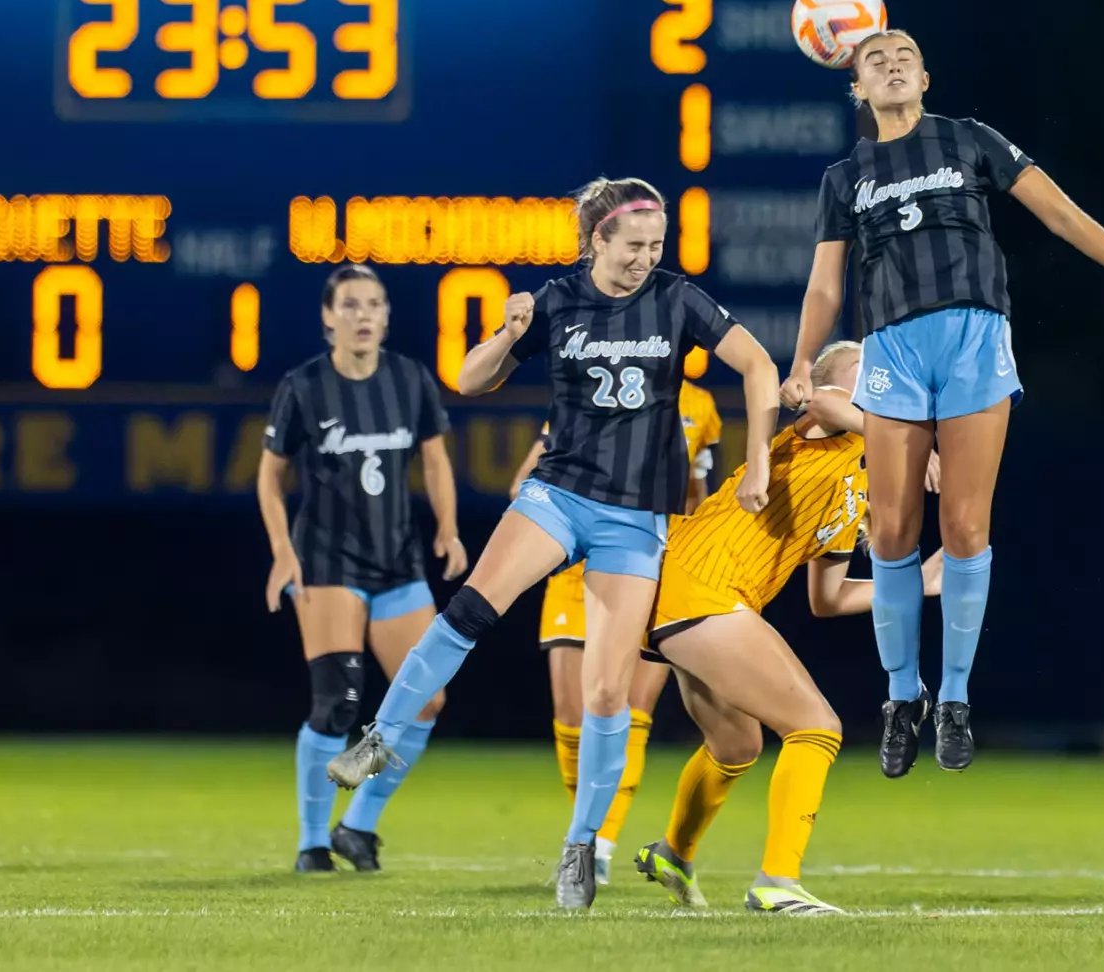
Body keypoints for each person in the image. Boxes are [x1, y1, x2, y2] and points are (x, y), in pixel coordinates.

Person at [326, 177, 781, 910]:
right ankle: (381, 736)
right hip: (559, 495)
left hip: (634, 516)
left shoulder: (678, 298)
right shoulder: (556, 300)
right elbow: (469, 379)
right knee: (471, 608)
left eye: (656, 245)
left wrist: (757, 460)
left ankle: (580, 846)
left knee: (606, 691)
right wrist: (509, 333)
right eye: (634, 245)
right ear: (597, 240)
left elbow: (759, 365)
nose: (646, 258)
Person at [782, 29, 1104, 777]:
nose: (892, 65)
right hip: (893, 347)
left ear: (925, 76)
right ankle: (903, 695)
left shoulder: (968, 139)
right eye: (875, 61)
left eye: (904, 56)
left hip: (974, 336)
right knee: (891, 531)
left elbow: (1060, 213)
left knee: (964, 526)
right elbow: (826, 285)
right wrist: (803, 362)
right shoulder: (846, 176)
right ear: (857, 88)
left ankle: (956, 699)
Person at [631, 339, 942, 914]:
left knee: (736, 745)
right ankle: (776, 882)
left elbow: (828, 599)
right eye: (867, 372)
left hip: (686, 590)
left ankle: (673, 852)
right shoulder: (825, 424)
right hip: (702, 582)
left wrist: (916, 583)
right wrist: (908, 441)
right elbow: (824, 403)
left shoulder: (853, 482)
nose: (882, 381)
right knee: (816, 727)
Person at [257, 264, 467, 873]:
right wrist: (282, 551)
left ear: (386, 315)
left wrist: (448, 528)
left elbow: (435, 461)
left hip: (397, 560)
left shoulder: (409, 378)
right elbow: (270, 477)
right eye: (350, 305)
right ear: (328, 317)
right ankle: (311, 843)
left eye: (374, 304)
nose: (363, 315)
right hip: (326, 562)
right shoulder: (303, 386)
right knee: (339, 702)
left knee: (426, 702)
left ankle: (358, 825)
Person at [509, 380, 721, 885]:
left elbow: (697, 498)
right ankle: (583, 830)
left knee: (631, 709)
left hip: (646, 567)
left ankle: (597, 845)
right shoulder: (590, 382)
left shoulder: (700, 405)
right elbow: (522, 485)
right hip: (576, 571)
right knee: (572, 716)